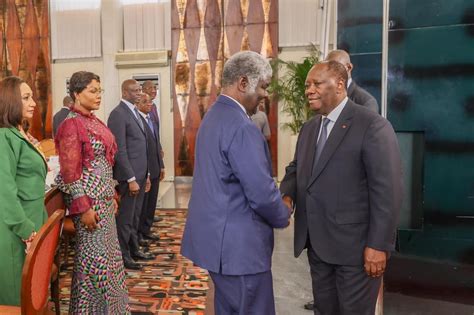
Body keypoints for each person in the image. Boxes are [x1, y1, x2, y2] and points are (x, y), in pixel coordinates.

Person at [280, 61, 402, 315]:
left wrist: (379, 245)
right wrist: (287, 194)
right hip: (317, 245)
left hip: (356, 252)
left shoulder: (371, 125)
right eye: (307, 85)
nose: (309, 90)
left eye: (316, 83)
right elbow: (296, 167)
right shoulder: (310, 127)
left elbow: (387, 191)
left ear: (339, 84)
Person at [181, 51, 291, 315]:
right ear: (243, 83)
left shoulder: (214, 116)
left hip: (218, 244)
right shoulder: (243, 126)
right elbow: (262, 193)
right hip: (240, 251)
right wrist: (283, 213)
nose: (265, 94)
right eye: (263, 86)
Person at [55, 71, 130, 314]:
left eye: (99, 91)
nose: (98, 96)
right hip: (89, 207)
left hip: (103, 202)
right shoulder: (70, 124)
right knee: (95, 268)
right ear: (76, 94)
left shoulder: (92, 120)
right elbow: (69, 173)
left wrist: (112, 195)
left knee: (108, 264)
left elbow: (104, 164)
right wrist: (84, 208)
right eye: (92, 91)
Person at [0, 76, 47, 306]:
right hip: (16, 232)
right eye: (26, 98)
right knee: (17, 299)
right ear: (10, 101)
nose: (33, 103)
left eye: (32, 97)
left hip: (31, 222)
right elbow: (4, 190)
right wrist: (27, 230)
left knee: (32, 296)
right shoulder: (4, 137)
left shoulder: (19, 133)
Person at [108, 79, 153, 270]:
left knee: (135, 217)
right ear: (124, 92)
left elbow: (141, 147)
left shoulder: (135, 112)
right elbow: (120, 150)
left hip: (142, 175)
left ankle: (134, 249)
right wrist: (131, 178)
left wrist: (147, 175)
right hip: (130, 179)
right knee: (125, 220)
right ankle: (122, 257)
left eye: (139, 90)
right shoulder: (118, 114)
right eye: (134, 90)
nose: (138, 93)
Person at [135, 93, 165, 244]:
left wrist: (161, 166)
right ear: (137, 103)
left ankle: (146, 230)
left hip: (155, 167)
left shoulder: (151, 120)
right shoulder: (138, 120)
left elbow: (157, 145)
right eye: (145, 102)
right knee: (143, 204)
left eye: (150, 102)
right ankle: (139, 233)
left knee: (151, 203)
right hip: (144, 170)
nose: (149, 104)